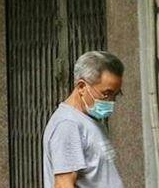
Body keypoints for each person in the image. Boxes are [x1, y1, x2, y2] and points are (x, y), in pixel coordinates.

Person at [42, 51, 125, 188]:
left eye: (115, 95)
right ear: (81, 87)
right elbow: (64, 184)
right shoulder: (68, 125)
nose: (111, 101)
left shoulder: (88, 120)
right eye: (106, 94)